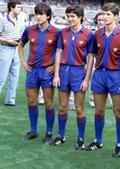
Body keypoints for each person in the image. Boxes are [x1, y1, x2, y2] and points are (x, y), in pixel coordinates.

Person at [85, 3, 120, 158]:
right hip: (99, 75)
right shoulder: (97, 34)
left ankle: (119, 145)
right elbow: (92, 54)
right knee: (99, 110)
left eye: (108, 14)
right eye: (103, 14)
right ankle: (98, 141)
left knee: (118, 111)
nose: (104, 17)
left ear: (116, 16)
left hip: (115, 76)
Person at [51, 5, 94, 150]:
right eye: (67, 16)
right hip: (63, 72)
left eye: (72, 16)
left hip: (78, 73)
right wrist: (56, 74)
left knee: (79, 108)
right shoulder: (63, 32)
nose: (69, 19)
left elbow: (90, 58)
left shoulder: (89, 34)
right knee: (62, 107)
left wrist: (86, 79)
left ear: (80, 17)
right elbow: (58, 52)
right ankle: (60, 136)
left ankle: (80, 139)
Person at [18, 2, 60, 144]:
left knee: (49, 103)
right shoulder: (29, 30)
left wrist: (55, 65)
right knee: (31, 101)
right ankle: (33, 131)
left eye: (41, 14)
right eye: (37, 13)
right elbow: (20, 45)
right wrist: (23, 62)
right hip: (32, 71)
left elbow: (62, 51)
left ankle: (48, 133)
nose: (38, 16)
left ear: (48, 16)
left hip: (47, 72)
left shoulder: (56, 32)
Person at [0, 0, 23, 106]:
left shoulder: (21, 20)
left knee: (15, 76)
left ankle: (10, 100)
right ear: (11, 8)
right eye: (18, 7)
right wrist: (8, 41)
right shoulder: (3, 20)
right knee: (2, 76)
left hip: (16, 50)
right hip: (5, 49)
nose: (20, 9)